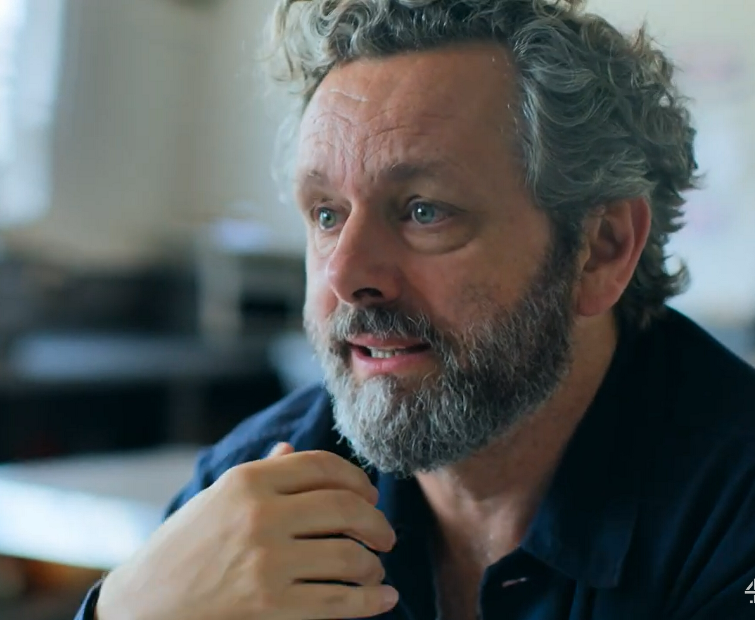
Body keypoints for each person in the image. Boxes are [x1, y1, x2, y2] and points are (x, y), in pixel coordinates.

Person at [78, 1, 755, 618]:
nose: (346, 275)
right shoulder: (259, 483)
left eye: (424, 211)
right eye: (326, 214)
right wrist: (124, 610)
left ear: (600, 248)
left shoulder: (733, 507)